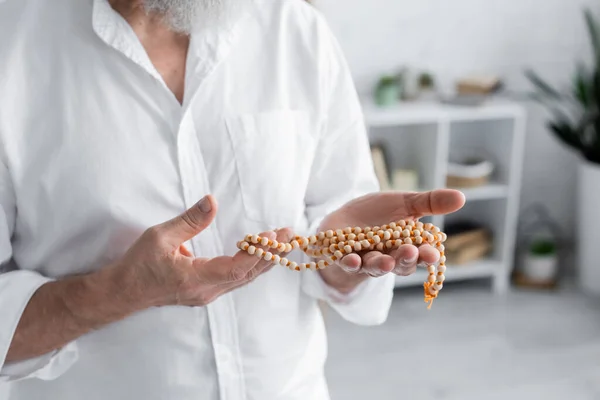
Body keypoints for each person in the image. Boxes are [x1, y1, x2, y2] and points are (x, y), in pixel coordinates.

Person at [0, 0, 465, 399]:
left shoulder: (293, 29)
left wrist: (341, 257)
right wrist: (117, 293)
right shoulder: (14, 46)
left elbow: (331, 221)